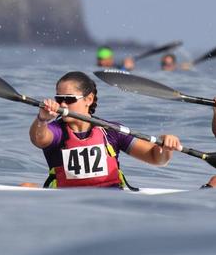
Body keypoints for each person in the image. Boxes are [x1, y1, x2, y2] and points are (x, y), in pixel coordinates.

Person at [28, 71, 182, 188]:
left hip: (110, 202)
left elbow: (156, 158)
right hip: (66, 204)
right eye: (59, 99)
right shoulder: (57, 130)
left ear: (88, 99)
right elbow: (39, 139)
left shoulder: (111, 130)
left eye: (69, 99)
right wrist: (42, 119)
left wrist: (166, 148)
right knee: (26, 187)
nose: (62, 105)